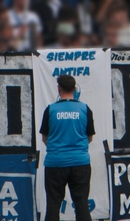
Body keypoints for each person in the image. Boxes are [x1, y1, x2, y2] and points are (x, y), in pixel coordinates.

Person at [41, 74, 95, 221]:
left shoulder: (50, 109)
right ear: (74, 88)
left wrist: (58, 147)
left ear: (58, 89)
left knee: (53, 204)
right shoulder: (84, 109)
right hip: (80, 162)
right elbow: (89, 137)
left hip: (55, 163)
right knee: (82, 204)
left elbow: (44, 138)